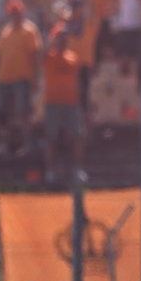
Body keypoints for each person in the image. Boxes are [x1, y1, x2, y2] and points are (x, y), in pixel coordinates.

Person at [0, 0, 41, 157]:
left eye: (17, 12)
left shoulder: (30, 31)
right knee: (2, 113)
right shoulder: (5, 32)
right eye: (12, 13)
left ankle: (27, 144)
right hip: (3, 78)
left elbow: (35, 56)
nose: (15, 16)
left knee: (23, 112)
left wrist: (35, 78)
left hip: (22, 78)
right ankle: (3, 144)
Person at [42, 23, 84, 184]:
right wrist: (53, 38)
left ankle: (77, 169)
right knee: (51, 138)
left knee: (77, 136)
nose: (63, 40)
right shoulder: (49, 56)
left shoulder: (73, 57)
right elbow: (41, 51)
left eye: (65, 37)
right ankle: (50, 170)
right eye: (60, 37)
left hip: (71, 103)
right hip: (52, 102)